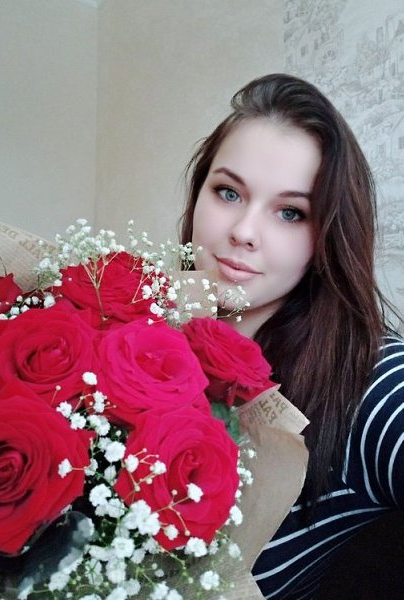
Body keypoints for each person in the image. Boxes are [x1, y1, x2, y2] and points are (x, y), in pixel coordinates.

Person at [179, 73, 404, 599]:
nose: (243, 231)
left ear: (329, 235)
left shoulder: (369, 380)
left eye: (290, 213)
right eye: (228, 192)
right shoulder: (133, 333)